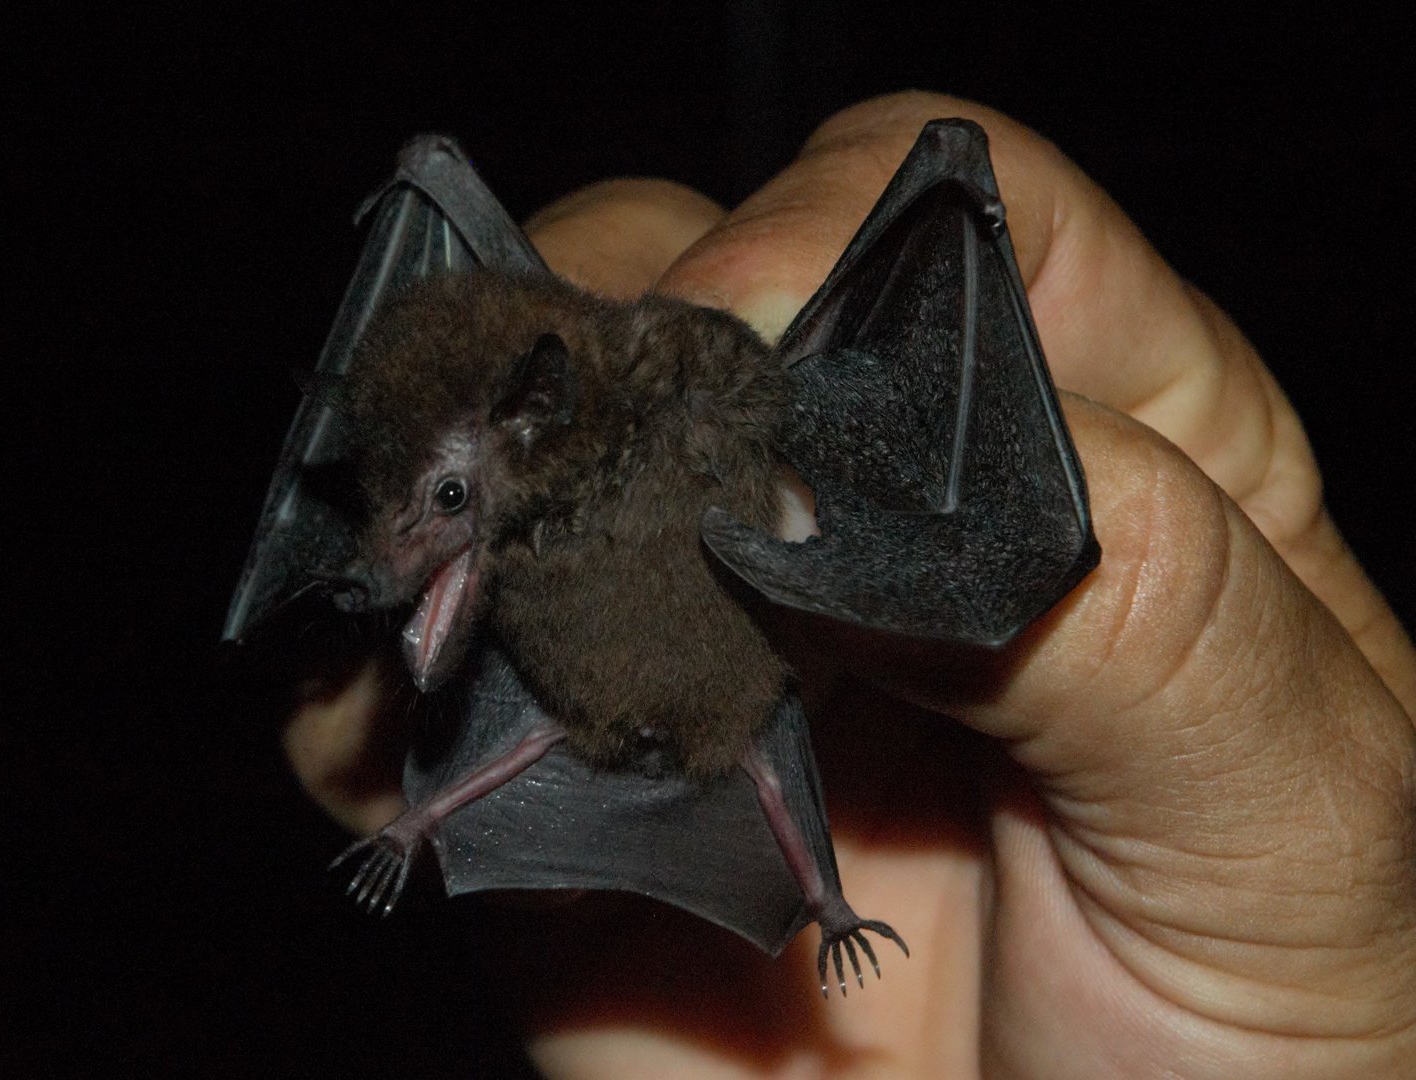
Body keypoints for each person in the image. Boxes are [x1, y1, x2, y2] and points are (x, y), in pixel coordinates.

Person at [281, 92, 1416, 1077]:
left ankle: (794, 877)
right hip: (603, 707)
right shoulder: (505, 521)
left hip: (734, 675)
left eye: (436, 506)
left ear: (535, 417)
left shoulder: (696, 399)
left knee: (761, 728)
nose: (411, 549)